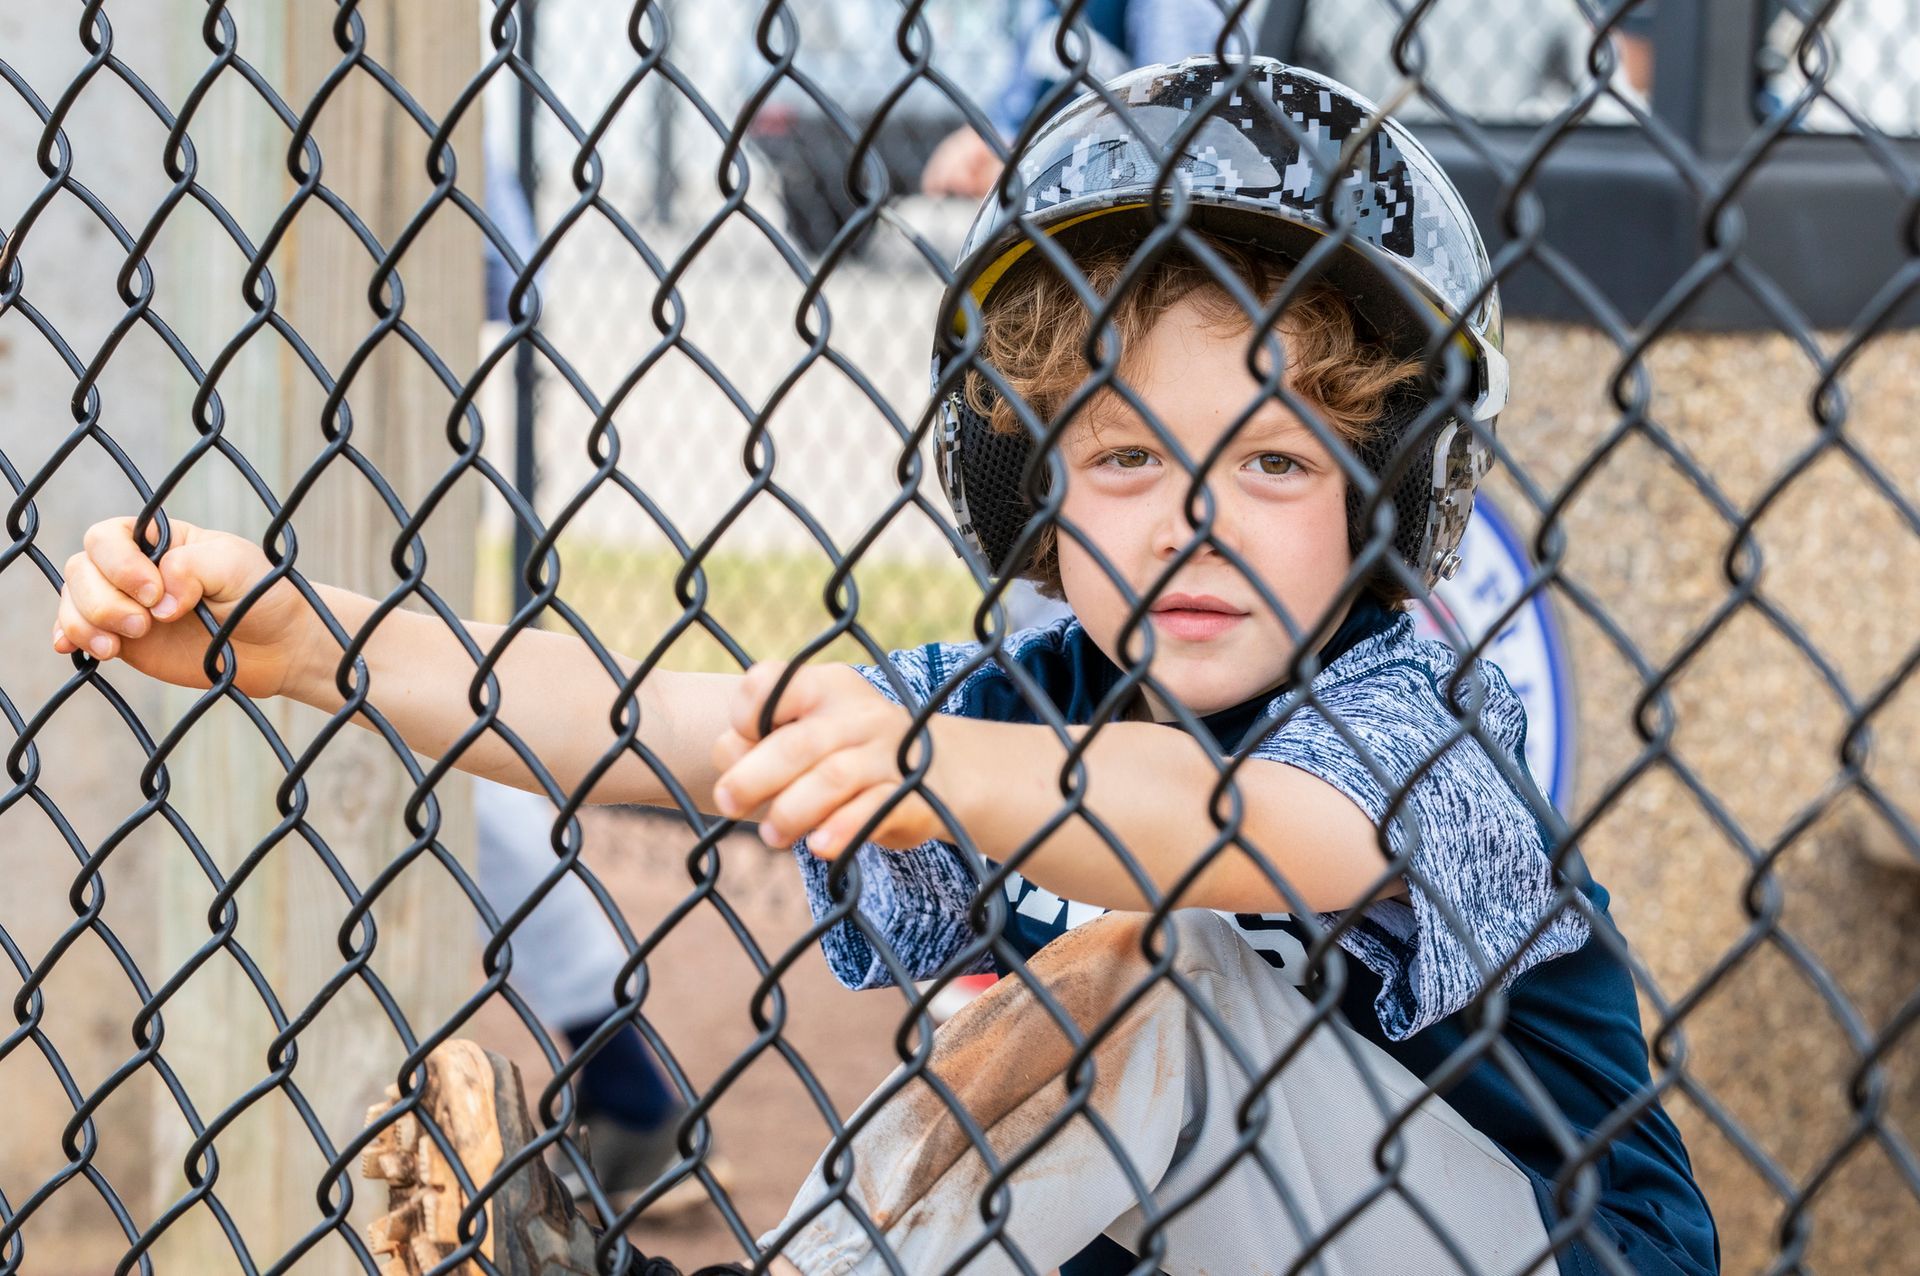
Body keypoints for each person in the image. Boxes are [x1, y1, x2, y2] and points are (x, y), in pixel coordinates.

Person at [51, 56, 1717, 1276]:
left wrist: (940, 774)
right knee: (1015, 1045)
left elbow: (1232, 825)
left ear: (1389, 491)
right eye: (1125, 458)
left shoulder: (1418, 714)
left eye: (1279, 464)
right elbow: (667, 729)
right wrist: (302, 639)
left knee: (1148, 966)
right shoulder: (1030, 697)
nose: (1194, 521)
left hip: (1539, 1245)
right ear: (1034, 491)